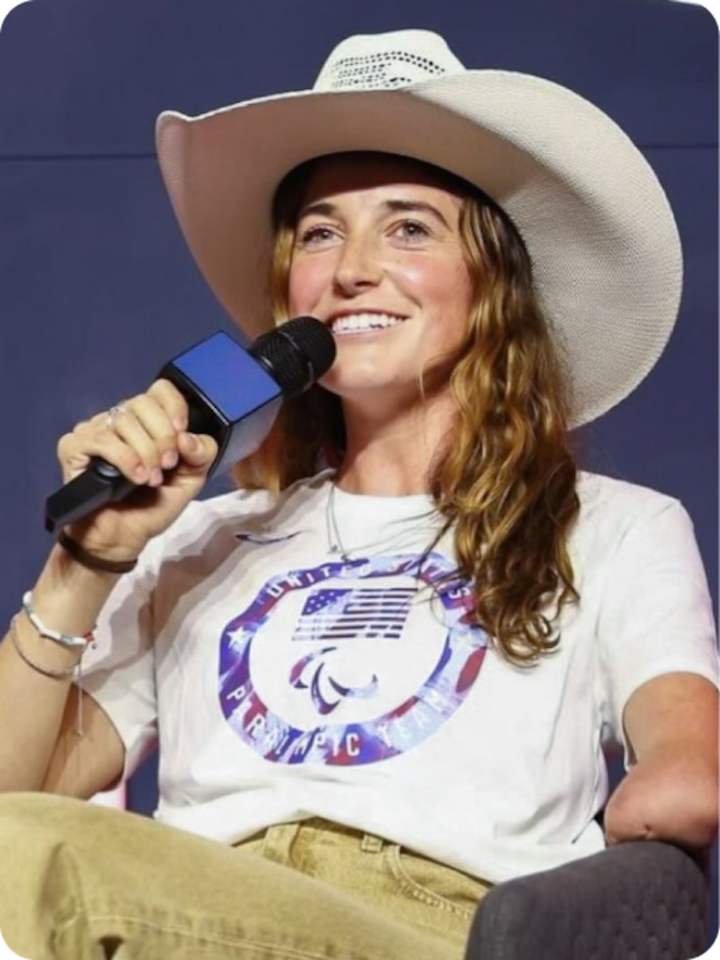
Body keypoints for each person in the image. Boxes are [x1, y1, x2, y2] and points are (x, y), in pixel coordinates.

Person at [1, 27, 719, 960]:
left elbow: (686, 768)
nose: (352, 270)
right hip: (175, 908)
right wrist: (84, 564)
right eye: (321, 232)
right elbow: (20, 795)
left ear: (492, 283)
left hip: (435, 925)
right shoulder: (202, 541)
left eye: (409, 226)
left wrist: (656, 812)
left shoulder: (618, 528)